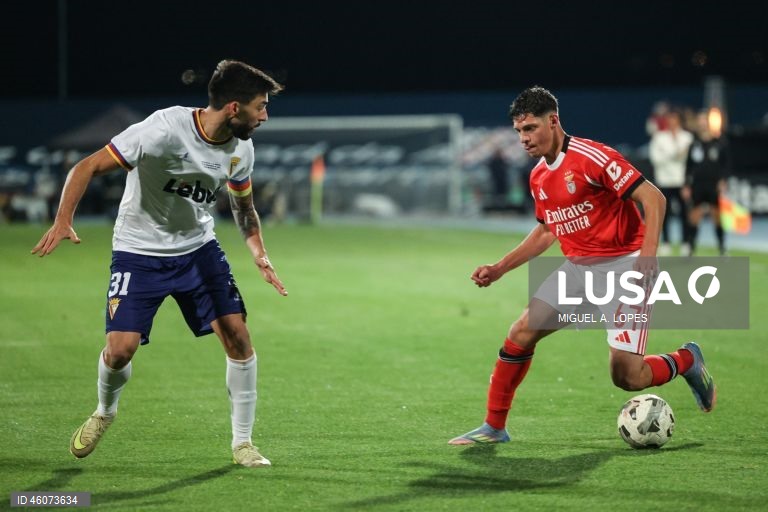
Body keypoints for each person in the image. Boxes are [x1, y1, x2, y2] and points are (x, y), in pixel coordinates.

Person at [32, 60, 287, 467]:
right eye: (261, 106)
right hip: (139, 252)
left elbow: (244, 206)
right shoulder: (165, 129)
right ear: (235, 107)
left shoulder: (242, 149)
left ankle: (243, 443)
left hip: (199, 251)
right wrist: (63, 220)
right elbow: (87, 166)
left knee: (238, 336)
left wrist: (259, 252)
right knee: (120, 351)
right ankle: (105, 411)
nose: (265, 116)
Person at [448, 86, 715, 445]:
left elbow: (653, 197)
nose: (523, 139)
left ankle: (686, 360)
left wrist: (649, 254)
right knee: (520, 332)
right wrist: (499, 268)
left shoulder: (592, 157)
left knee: (627, 377)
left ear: (553, 121)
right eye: (518, 131)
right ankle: (494, 427)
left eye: (529, 129)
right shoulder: (539, 177)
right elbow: (546, 232)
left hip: (626, 267)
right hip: (578, 271)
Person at [682, 110, 729, 256]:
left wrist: (723, 180)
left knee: (717, 217)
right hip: (697, 185)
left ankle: (722, 248)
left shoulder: (719, 143)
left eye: (705, 120)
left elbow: (726, 164)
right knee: (694, 216)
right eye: (700, 120)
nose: (702, 123)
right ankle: (691, 248)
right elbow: (688, 166)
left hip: (713, 185)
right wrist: (686, 185)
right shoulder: (694, 144)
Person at [649, 108, 694, 255]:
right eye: (670, 119)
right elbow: (655, 159)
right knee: (664, 214)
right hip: (664, 180)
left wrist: (671, 157)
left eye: (675, 119)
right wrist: (676, 155)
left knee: (684, 214)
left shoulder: (687, 137)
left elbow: (691, 161)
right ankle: (666, 242)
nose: (672, 122)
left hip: (682, 181)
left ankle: (685, 243)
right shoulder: (659, 137)